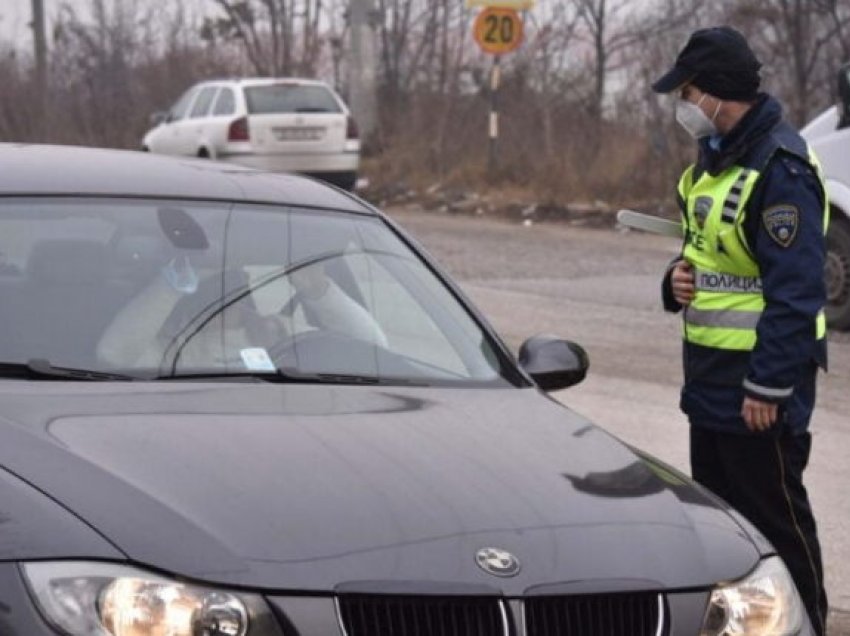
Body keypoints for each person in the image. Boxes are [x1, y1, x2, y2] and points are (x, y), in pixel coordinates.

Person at [653, 26, 829, 635]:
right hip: (710, 384)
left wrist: (769, 387)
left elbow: (798, 293)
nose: (683, 105)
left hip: (757, 393)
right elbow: (703, 255)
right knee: (724, 528)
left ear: (718, 94)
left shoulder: (780, 171)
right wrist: (673, 280)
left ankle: (808, 622)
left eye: (688, 92)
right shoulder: (713, 161)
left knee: (776, 525)